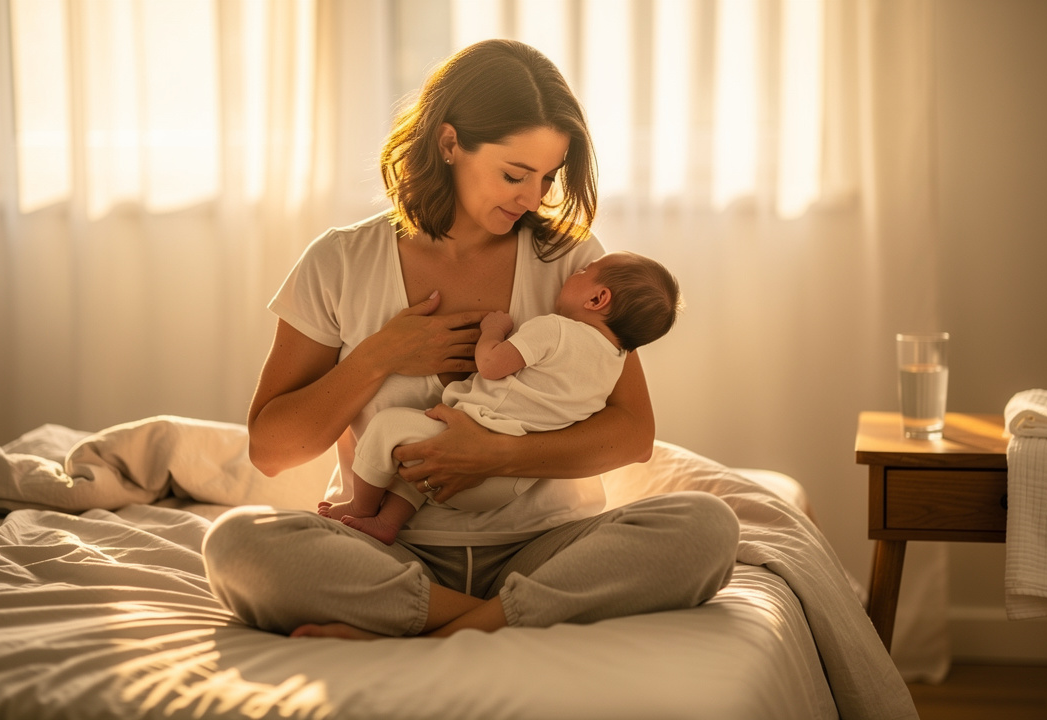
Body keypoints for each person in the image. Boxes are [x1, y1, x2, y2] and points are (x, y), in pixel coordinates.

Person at [202, 38, 738, 640]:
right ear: (449, 143)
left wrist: (499, 456)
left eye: (547, 177)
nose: (534, 199)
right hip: (390, 549)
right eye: (514, 174)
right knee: (239, 546)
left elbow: (633, 434)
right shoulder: (339, 262)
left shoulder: (573, 264)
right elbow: (273, 450)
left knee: (706, 527)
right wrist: (380, 356)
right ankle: (490, 622)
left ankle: (421, 629)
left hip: (543, 547)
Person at [320, 250, 682, 545]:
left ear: (598, 298)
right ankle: (388, 522)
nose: (577, 270)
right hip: (510, 486)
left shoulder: (554, 329)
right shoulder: (612, 366)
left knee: (387, 427)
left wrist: (493, 331)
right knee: (421, 466)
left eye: (586, 270)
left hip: (477, 438)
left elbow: (492, 365)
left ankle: (362, 508)